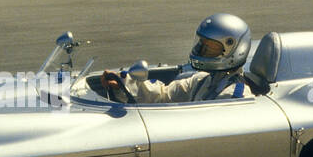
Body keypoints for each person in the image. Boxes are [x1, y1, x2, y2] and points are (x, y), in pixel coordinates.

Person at [102, 14, 252, 103]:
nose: (202, 50)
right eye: (202, 44)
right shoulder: (202, 80)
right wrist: (124, 83)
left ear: (233, 49)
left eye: (210, 47)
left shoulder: (235, 97)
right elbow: (163, 95)